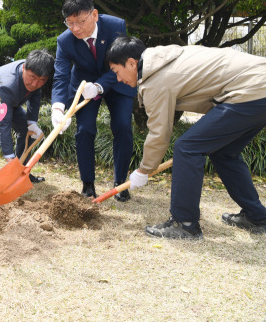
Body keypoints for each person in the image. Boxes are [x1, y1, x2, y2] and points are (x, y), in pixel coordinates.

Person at [106, 36, 266, 239]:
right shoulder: (165, 57)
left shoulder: (155, 79)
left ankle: (185, 223)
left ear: (131, 63)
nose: (119, 79)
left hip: (250, 90)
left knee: (187, 147)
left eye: (116, 72)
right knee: (224, 152)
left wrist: (144, 169)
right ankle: (257, 216)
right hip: (258, 87)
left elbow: (159, 132)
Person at [51, 0, 136, 200]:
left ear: (94, 15)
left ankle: (120, 183)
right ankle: (88, 184)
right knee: (84, 130)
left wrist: (99, 86)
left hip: (117, 80)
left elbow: (123, 62)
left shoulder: (116, 26)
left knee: (123, 126)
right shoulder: (65, 40)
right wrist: (58, 107)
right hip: (83, 84)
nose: (76, 28)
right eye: (70, 23)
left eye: (80, 22)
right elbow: (61, 75)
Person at [0, 50, 54, 182]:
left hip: (6, 102)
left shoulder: (37, 73)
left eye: (41, 80)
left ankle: (19, 173)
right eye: (32, 77)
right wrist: (9, 156)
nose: (35, 84)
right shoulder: (7, 83)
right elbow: (4, 123)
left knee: (27, 131)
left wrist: (32, 122)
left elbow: (35, 98)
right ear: (24, 68)